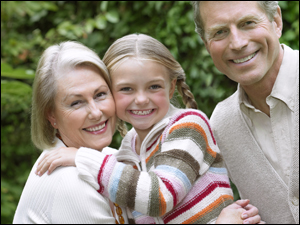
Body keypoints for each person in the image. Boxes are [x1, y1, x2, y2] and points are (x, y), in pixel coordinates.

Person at [36, 34, 263, 224]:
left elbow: (160, 197)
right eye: (126, 89)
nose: (142, 99)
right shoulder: (125, 153)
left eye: (154, 86)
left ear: (171, 86)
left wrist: (82, 158)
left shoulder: (188, 126)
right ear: (111, 92)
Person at [191, 1, 299, 224]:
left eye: (248, 23)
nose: (238, 43)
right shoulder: (220, 126)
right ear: (206, 43)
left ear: (276, 21)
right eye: (219, 32)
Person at [13, 41, 117, 223]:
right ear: (51, 115)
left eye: (100, 94)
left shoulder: (107, 159)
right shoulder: (71, 183)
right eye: (76, 102)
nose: (96, 112)